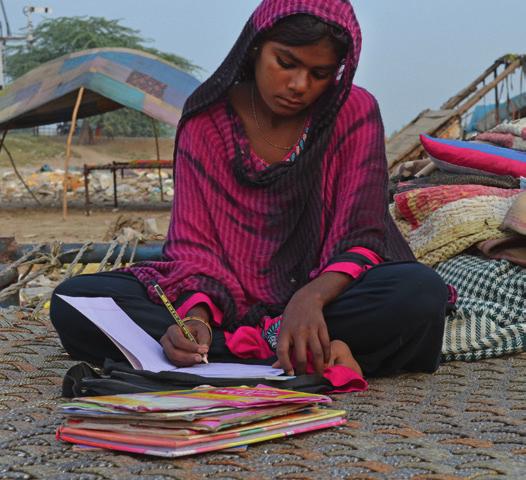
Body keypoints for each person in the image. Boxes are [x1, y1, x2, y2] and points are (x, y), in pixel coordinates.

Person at [50, 0, 450, 378]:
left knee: (418, 294)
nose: (298, 84)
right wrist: (193, 320)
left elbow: (363, 235)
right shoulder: (205, 122)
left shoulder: (353, 112)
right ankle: (289, 349)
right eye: (286, 62)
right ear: (256, 45)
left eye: (320, 73)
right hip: (224, 298)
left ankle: (237, 351)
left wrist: (309, 299)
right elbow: (194, 250)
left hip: (325, 294)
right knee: (77, 301)